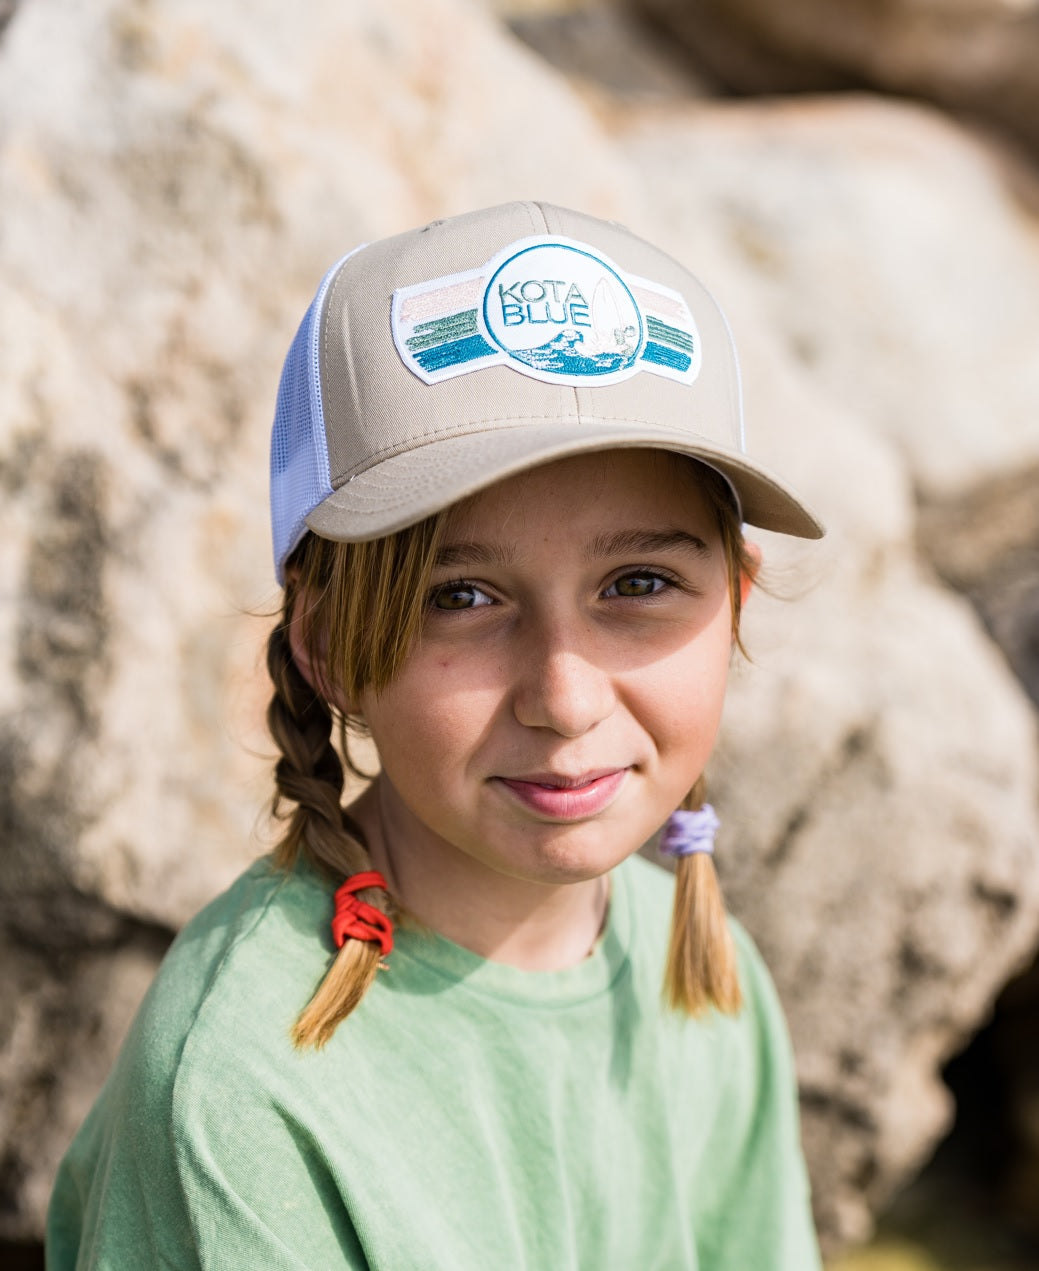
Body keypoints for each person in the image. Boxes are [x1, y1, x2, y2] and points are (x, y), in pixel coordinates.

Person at [46, 201, 826, 1269]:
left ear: (733, 607)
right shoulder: (243, 1078)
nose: (564, 694)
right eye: (460, 595)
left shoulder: (707, 973)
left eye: (638, 583)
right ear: (327, 647)